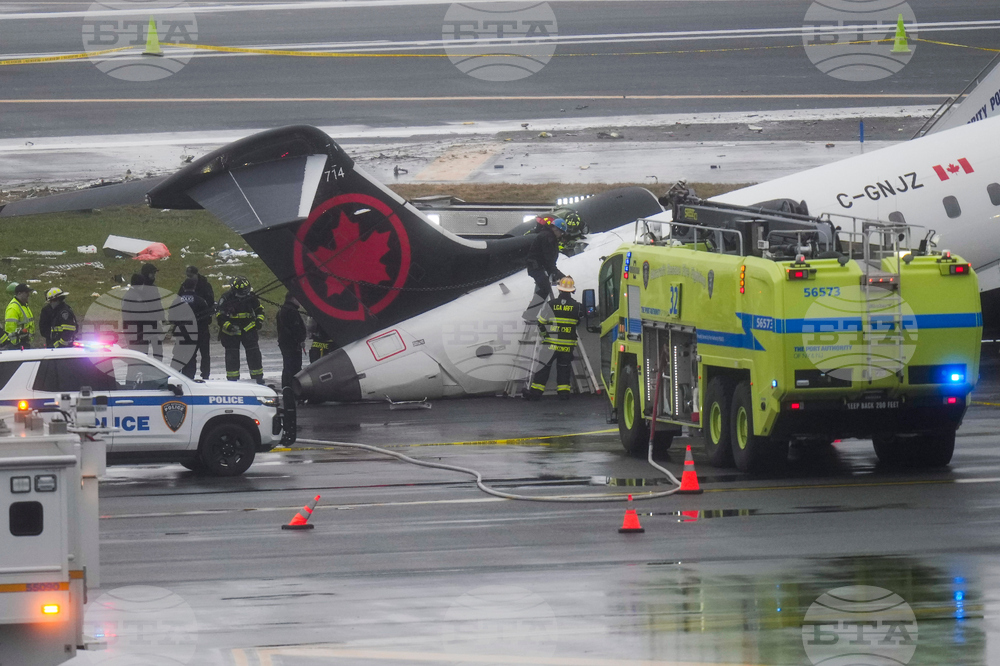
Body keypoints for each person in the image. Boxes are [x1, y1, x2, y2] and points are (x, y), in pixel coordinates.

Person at [523, 276, 580, 401]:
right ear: (572, 291)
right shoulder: (577, 307)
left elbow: (541, 323)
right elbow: (578, 322)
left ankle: (536, 393)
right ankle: (564, 394)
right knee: (564, 369)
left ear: (559, 290)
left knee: (543, 368)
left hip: (550, 345)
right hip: (566, 346)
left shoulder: (550, 304)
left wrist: (545, 337)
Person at [217, 276, 265, 383]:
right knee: (232, 358)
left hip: (249, 330)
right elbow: (220, 316)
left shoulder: (251, 297)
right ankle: (232, 381)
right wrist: (229, 326)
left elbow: (260, 310)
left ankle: (258, 379)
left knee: (254, 356)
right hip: (231, 334)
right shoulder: (226, 298)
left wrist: (259, 321)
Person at [524, 217, 567, 318]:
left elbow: (548, 260)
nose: (561, 235)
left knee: (545, 286)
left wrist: (555, 273)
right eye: (561, 232)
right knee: (545, 288)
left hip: (539, 266)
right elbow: (548, 259)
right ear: (555, 229)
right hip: (536, 267)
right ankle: (530, 315)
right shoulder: (548, 238)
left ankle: (533, 313)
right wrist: (557, 273)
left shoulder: (547, 235)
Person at [168, 278, 211, 379]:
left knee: (178, 355)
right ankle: (197, 376)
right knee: (198, 355)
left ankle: (173, 376)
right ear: (194, 287)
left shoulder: (177, 301)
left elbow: (171, 318)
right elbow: (208, 319)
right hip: (198, 332)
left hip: (182, 332)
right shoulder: (200, 301)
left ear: (183, 287)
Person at [121, 273, 164, 359]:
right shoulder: (135, 297)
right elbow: (141, 316)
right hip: (137, 331)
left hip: (132, 330)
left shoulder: (129, 295)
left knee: (136, 356)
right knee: (140, 356)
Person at [181, 267, 214, 379]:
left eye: (190, 276)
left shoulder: (205, 286)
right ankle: (196, 375)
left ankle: (195, 375)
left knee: (198, 354)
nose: (189, 277)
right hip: (199, 328)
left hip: (194, 329)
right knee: (196, 354)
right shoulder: (199, 299)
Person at [277, 293, 307, 389]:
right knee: (295, 367)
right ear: (293, 299)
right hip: (292, 344)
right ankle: (293, 387)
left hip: (285, 343)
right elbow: (296, 328)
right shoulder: (292, 311)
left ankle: (286, 387)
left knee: (287, 366)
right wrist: (300, 339)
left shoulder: (282, 310)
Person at [3, 284, 35, 350]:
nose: (28, 294)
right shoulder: (13, 308)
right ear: (19, 293)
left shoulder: (24, 305)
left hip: (26, 343)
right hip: (18, 346)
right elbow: (10, 330)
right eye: (26, 292)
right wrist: (16, 345)